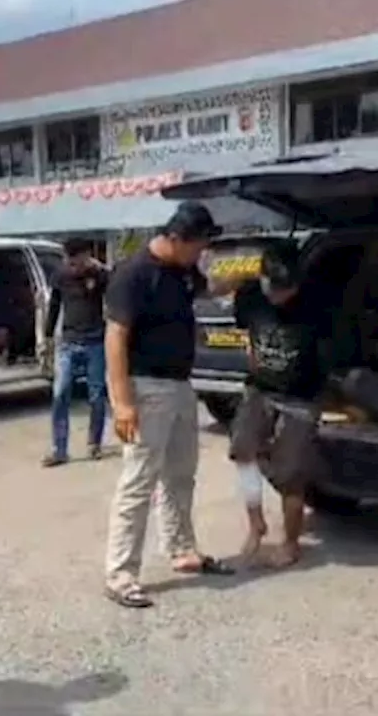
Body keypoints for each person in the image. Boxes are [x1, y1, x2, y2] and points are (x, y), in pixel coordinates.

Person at [103, 201, 236, 608]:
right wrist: (122, 402)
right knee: (139, 481)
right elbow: (115, 339)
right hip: (146, 389)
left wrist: (243, 276)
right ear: (177, 239)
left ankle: (181, 549)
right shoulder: (134, 274)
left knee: (181, 475)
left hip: (180, 386)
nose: (201, 255)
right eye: (198, 246)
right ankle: (120, 572)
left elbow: (209, 287)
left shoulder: (181, 272)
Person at [229, 242, 326, 568]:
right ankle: (256, 522)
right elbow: (247, 334)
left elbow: (332, 354)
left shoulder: (318, 302)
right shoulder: (250, 295)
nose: (277, 297)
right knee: (242, 450)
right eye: (273, 287)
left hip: (301, 396)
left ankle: (290, 542)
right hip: (260, 389)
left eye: (286, 290)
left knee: (290, 473)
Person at [42, 238, 109, 467]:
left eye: (77, 260)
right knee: (60, 393)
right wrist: (47, 336)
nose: (73, 265)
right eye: (69, 260)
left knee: (96, 395)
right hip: (68, 342)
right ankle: (59, 449)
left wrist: (102, 269)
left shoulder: (99, 276)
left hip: (95, 342)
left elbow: (116, 292)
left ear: (86, 256)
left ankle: (94, 443)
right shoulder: (60, 276)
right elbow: (54, 306)